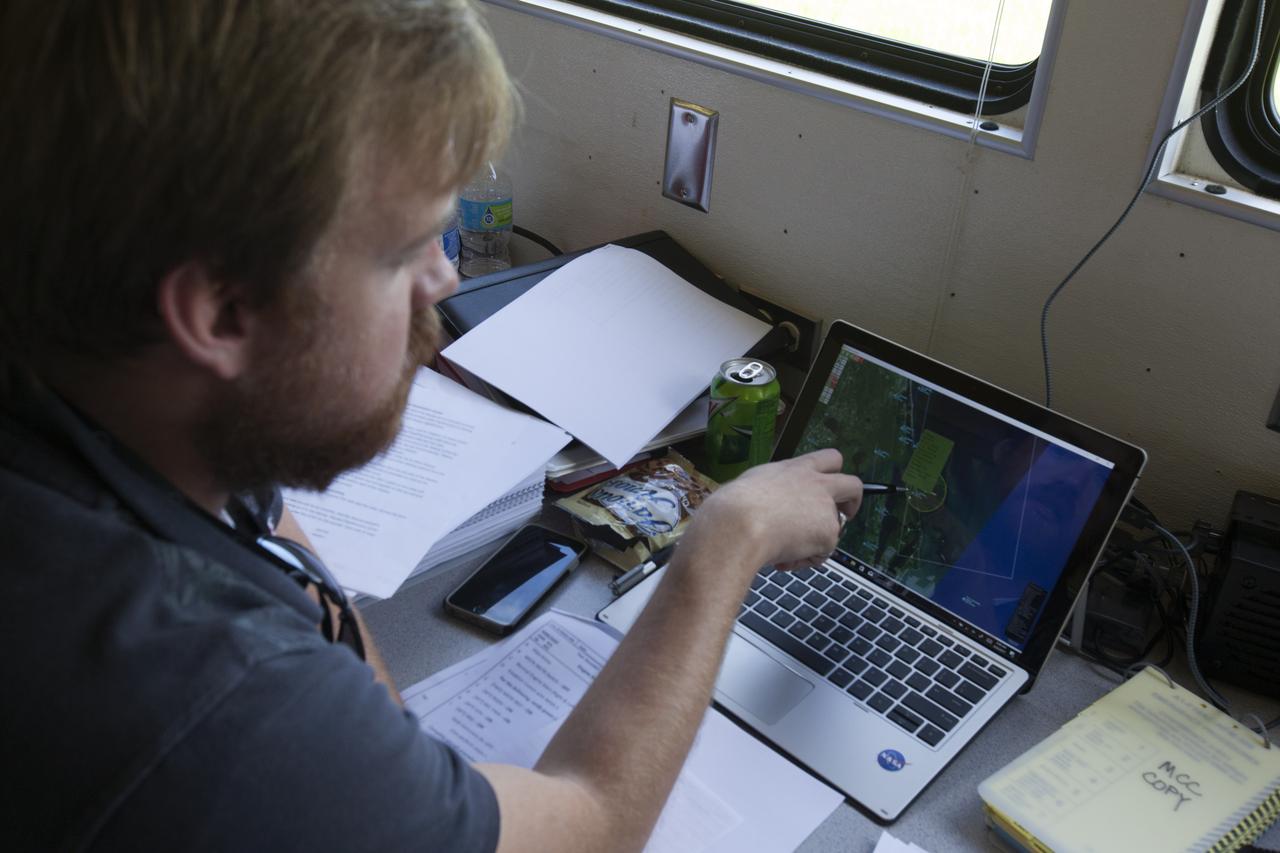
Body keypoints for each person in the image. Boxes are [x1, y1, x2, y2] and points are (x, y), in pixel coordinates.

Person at [0, 1, 864, 850]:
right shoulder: (225, 705)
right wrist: (722, 544)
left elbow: (271, 534)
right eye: (403, 249)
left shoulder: (118, 399)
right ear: (221, 312)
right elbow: (585, 823)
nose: (444, 280)